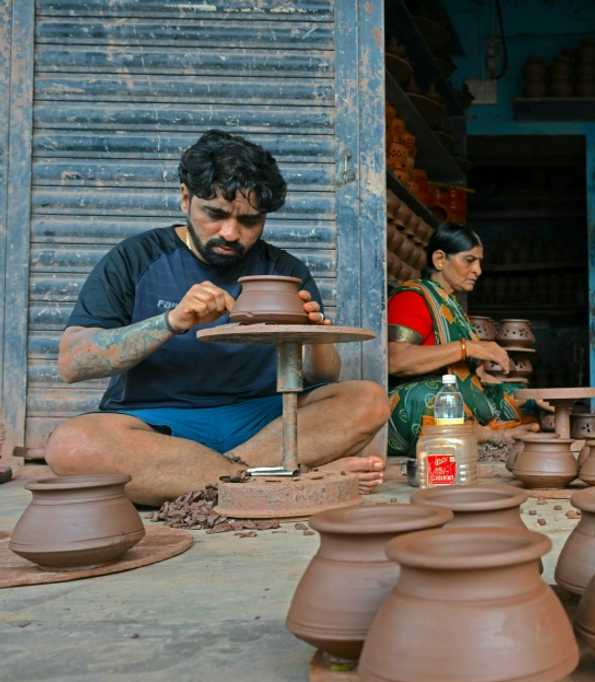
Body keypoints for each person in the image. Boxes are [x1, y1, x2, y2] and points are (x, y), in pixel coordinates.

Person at [44, 130, 389, 505]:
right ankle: (276, 479)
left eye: (250, 221)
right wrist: (170, 321)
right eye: (216, 214)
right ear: (185, 198)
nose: (231, 232)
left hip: (261, 425)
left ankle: (223, 482)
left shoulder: (284, 270)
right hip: (161, 428)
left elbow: (323, 379)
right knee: (71, 444)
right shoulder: (135, 258)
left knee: (367, 400)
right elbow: (72, 362)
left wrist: (310, 336)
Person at [386, 223, 540, 456]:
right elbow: (395, 360)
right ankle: (492, 436)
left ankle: (485, 433)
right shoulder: (412, 297)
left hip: (462, 398)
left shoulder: (452, 305)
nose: (478, 270)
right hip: (424, 398)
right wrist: (467, 347)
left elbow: (471, 376)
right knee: (435, 399)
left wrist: (520, 392)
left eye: (479, 261)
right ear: (440, 259)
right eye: (469, 260)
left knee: (523, 398)